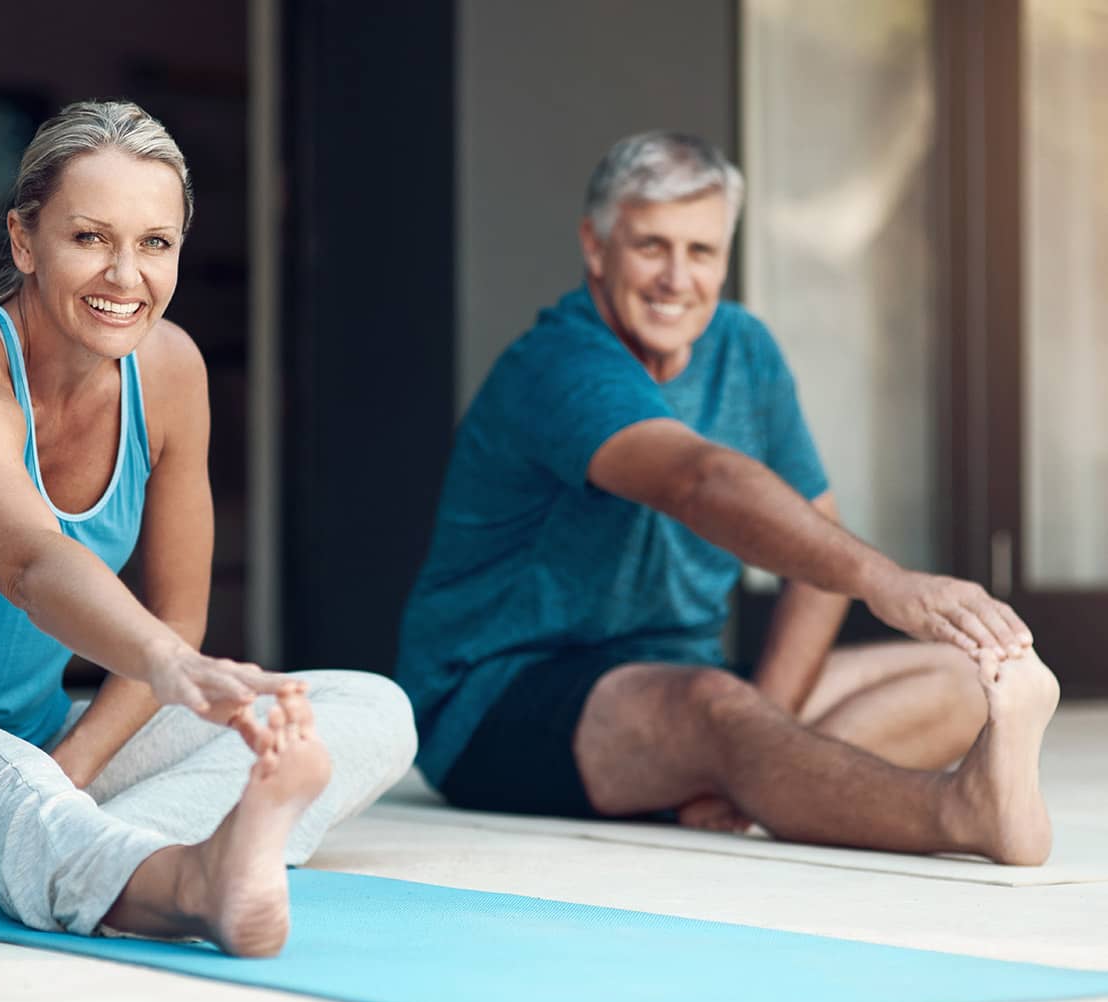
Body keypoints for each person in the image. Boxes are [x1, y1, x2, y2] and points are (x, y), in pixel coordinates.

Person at [0, 99, 416, 957]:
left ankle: (82, 843)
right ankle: (179, 883)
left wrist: (78, 763)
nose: (125, 276)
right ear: (24, 241)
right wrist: (169, 665)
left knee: (368, 711)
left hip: (33, 742)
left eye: (155, 243)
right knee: (2, 783)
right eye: (90, 238)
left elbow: (177, 617)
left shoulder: (170, 372)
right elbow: (31, 565)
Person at [394, 130, 1058, 865]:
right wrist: (887, 582)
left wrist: (762, 725)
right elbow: (698, 480)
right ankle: (958, 812)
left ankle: (748, 780)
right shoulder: (561, 362)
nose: (676, 278)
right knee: (714, 709)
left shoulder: (743, 348)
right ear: (595, 246)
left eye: (701, 251)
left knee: (964, 679)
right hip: (496, 698)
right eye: (652, 246)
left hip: (684, 681)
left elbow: (815, 561)